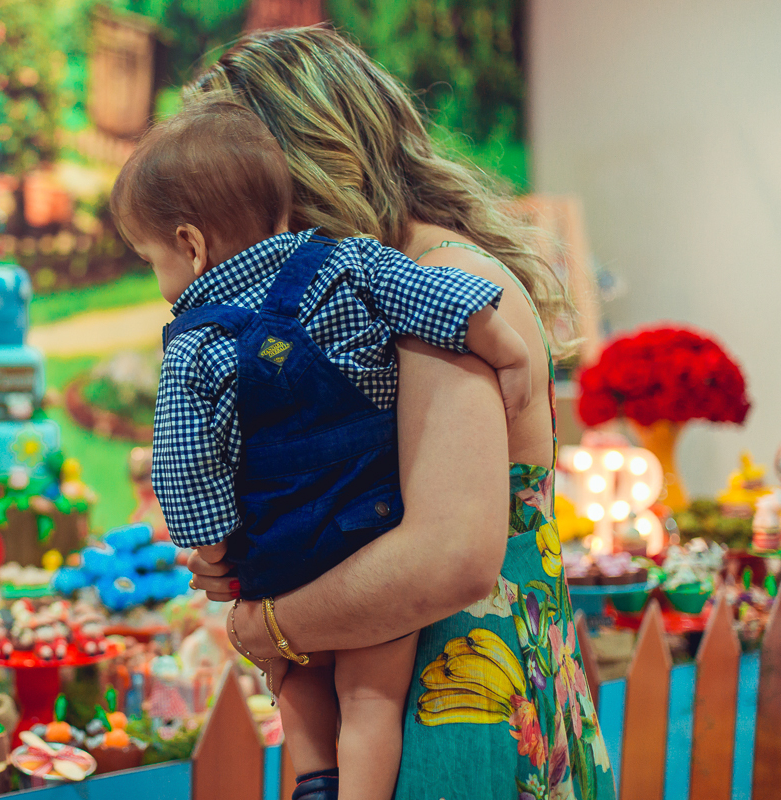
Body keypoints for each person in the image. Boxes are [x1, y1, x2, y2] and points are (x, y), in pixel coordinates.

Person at [183, 26, 616, 800]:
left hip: (460, 708)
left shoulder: (431, 287)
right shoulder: (380, 287)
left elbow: (447, 557)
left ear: (296, 166)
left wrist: (270, 625)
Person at [110, 98, 534, 800]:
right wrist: (510, 354)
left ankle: (312, 775)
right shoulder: (353, 263)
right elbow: (445, 303)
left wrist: (213, 547)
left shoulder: (192, 346)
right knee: (371, 698)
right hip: (373, 524)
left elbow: (183, 468)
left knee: (290, 671)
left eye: (152, 260)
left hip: (281, 548)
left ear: (189, 244)